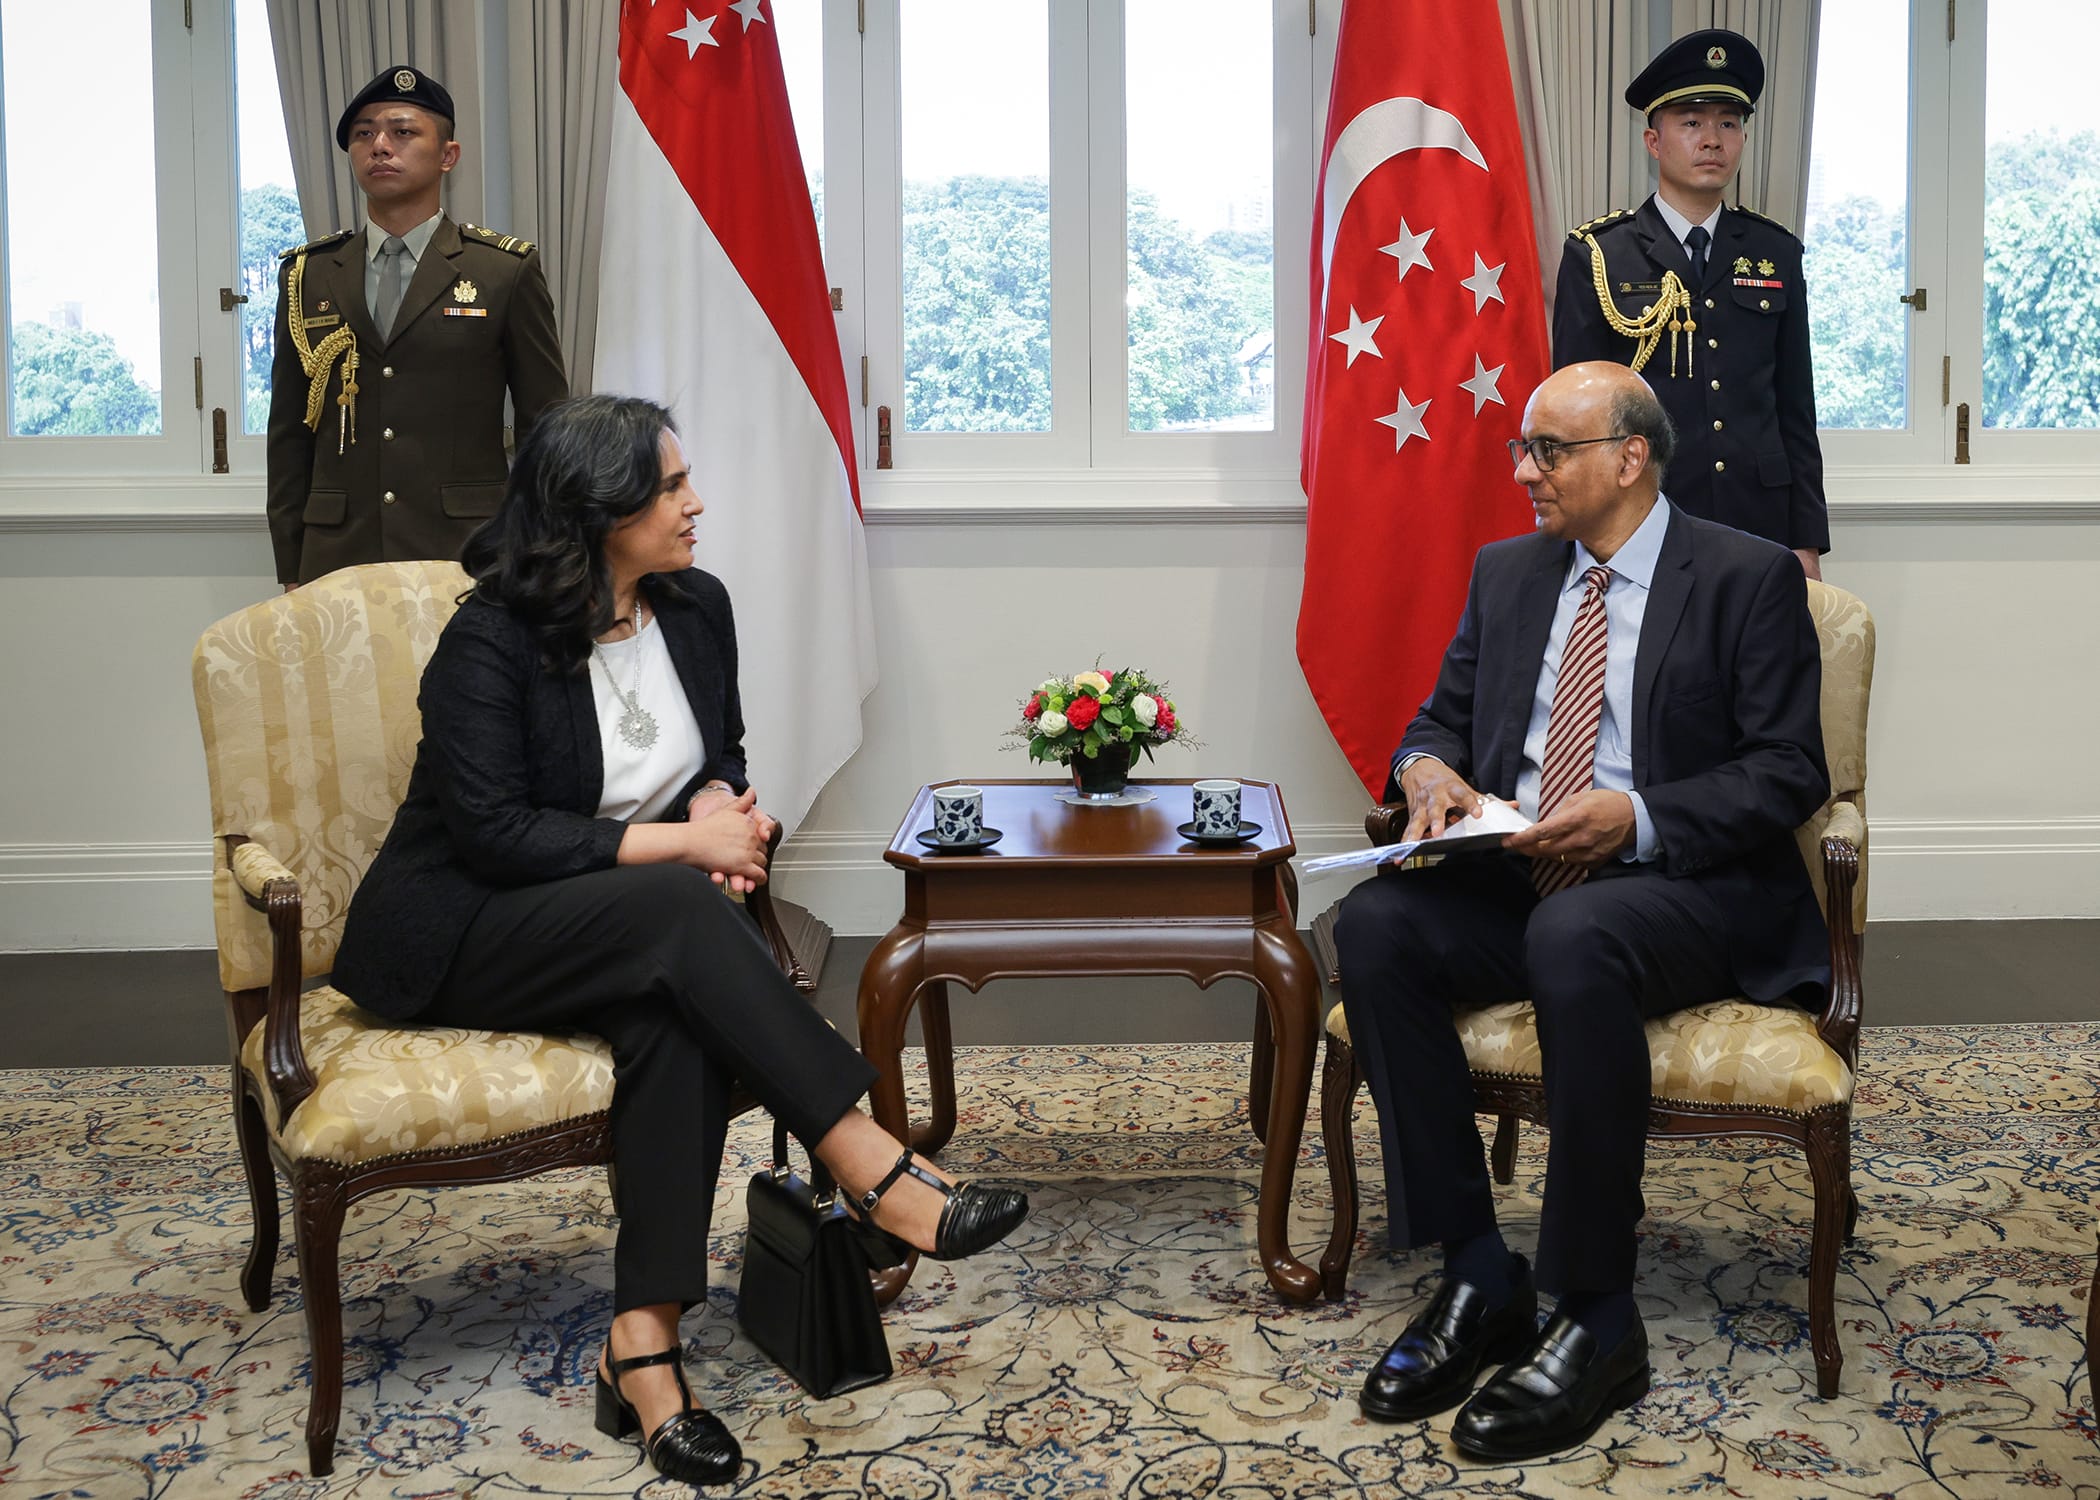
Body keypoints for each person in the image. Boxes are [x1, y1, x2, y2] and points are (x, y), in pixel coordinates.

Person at [331, 394, 1027, 1487]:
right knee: (674, 910)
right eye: (668, 487)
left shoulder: (696, 609)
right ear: (598, 509)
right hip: (463, 927)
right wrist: (684, 845)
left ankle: (643, 1350)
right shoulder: (490, 638)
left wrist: (727, 810)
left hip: (629, 933)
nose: (694, 504)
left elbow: (728, 755)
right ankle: (870, 1162)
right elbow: (496, 833)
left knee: (676, 1016)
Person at [1334, 362, 1829, 1461]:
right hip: (1525, 875)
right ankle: (1477, 1271)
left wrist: (1637, 816)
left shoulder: (1745, 577)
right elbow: (1438, 720)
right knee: (1374, 926)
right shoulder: (1511, 573)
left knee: (1576, 936)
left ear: (1628, 458)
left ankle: (1601, 1317)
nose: (1524, 472)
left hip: (1684, 890)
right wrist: (1426, 772)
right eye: (1524, 449)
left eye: (1546, 451)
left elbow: (1789, 770)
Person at [266, 64, 568, 589]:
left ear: (448, 155)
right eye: (364, 134)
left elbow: (545, 428)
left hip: (466, 550)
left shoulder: (502, 271)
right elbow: (290, 433)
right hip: (337, 553)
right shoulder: (309, 273)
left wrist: (537, 552)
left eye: (402, 131)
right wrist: (291, 564)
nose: (380, 145)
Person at [1550, 29, 1827, 579]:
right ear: (1654, 141)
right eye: (1692, 122)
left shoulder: (1775, 253)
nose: (1712, 140)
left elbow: (1796, 411)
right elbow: (1574, 418)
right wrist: (1587, 534)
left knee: (1760, 666)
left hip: (1760, 522)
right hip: (1641, 519)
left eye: (1729, 122)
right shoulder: (1599, 254)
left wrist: (1807, 542)